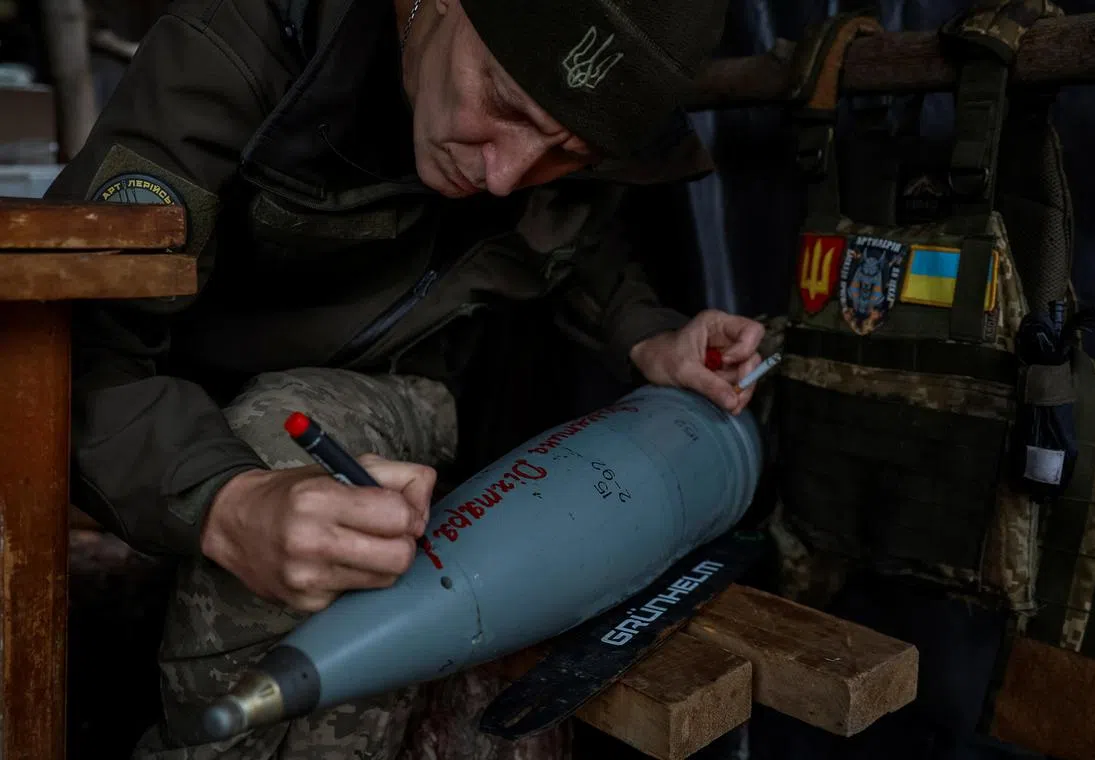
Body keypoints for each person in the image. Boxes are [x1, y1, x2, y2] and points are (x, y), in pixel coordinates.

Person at [46, 0, 767, 757]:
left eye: (566, 152)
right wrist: (224, 501)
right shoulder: (242, 46)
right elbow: (79, 347)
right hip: (189, 408)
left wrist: (648, 335)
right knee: (274, 441)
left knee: (301, 461)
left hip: (407, 403)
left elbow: (580, 237)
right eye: (500, 100)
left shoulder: (533, 147)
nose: (505, 174)